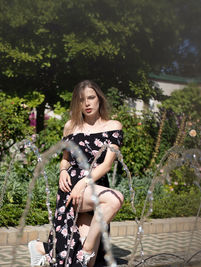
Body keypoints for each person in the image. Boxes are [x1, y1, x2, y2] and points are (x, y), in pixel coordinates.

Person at [28, 80, 124, 267]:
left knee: (89, 264)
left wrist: (83, 183)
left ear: (99, 99)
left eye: (91, 98)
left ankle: (42, 248)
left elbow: (105, 166)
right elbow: (65, 159)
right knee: (115, 199)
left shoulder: (113, 126)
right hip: (71, 187)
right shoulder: (71, 126)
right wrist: (63, 170)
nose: (87, 103)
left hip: (93, 184)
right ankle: (85, 252)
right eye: (81, 100)